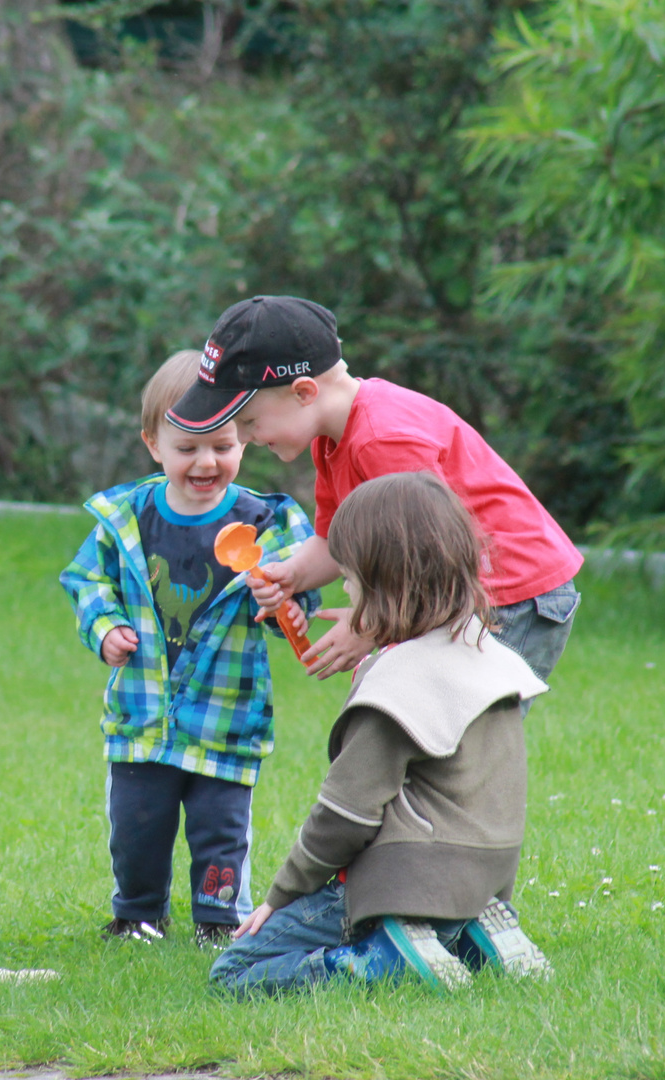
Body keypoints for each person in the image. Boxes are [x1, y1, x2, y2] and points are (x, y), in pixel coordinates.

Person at [209, 471, 552, 994]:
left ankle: (376, 960)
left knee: (233, 974)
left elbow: (345, 814)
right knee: (438, 912)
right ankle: (466, 935)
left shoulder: (397, 682)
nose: (345, 592)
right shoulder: (487, 654)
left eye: (348, 579)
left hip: (409, 879)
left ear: (384, 584)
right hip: (487, 878)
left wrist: (280, 895)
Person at [165, 295, 583, 685]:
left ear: (304, 392)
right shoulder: (331, 441)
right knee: (417, 717)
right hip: (459, 592)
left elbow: (432, 561)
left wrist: (371, 627)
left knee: (463, 729)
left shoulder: (382, 440)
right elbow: (333, 541)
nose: (245, 436)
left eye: (250, 422)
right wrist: (291, 574)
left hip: (511, 594)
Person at [59, 350, 319, 948]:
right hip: (142, 717)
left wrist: (278, 599)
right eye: (187, 448)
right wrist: (104, 628)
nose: (206, 462)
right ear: (153, 444)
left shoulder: (269, 524)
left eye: (223, 446)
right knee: (136, 828)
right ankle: (138, 915)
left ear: (245, 441)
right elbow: (86, 580)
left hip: (225, 715)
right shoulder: (126, 517)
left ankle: (219, 922)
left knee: (220, 830)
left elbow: (298, 611)